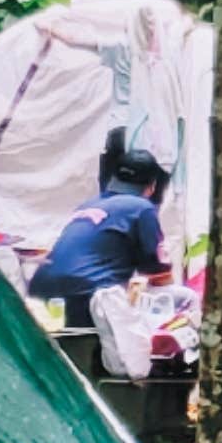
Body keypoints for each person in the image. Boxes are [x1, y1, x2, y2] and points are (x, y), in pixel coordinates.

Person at [25, 139, 171, 329]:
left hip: (39, 291)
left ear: (114, 179)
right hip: (85, 295)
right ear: (151, 187)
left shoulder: (89, 205)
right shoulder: (142, 208)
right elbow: (158, 273)